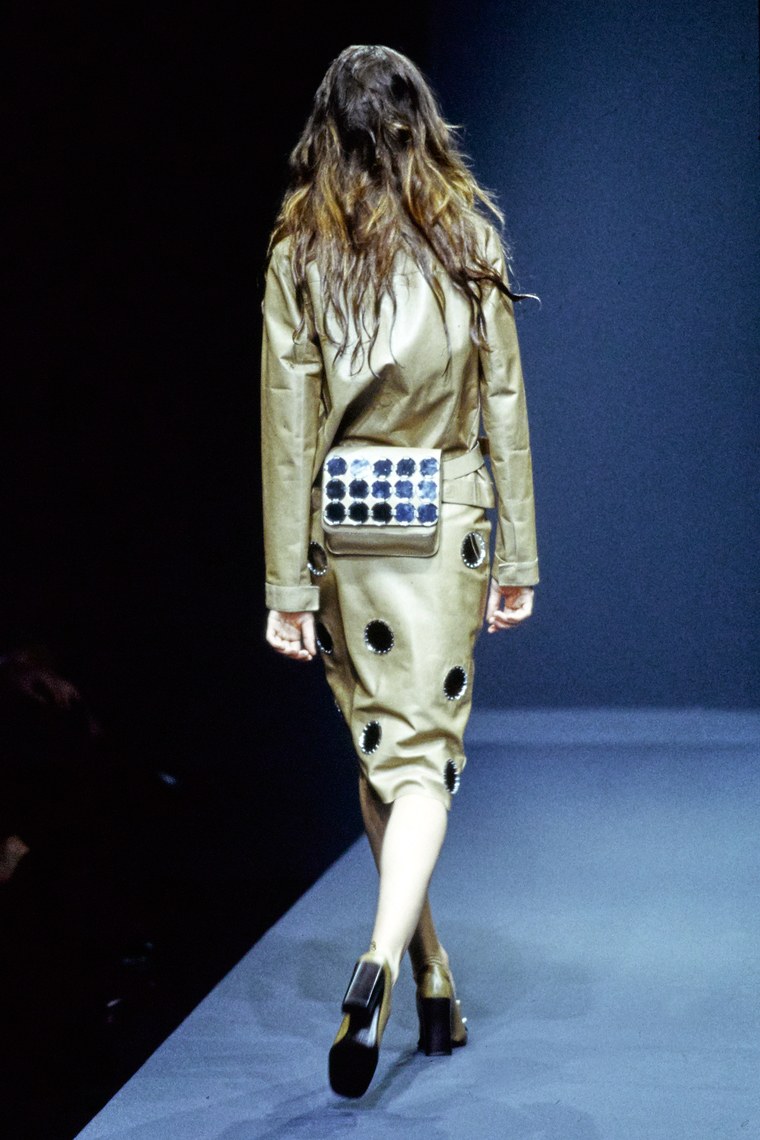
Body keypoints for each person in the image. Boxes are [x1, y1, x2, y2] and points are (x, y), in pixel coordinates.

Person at [260, 44, 538, 1098]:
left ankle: (431, 974)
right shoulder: (468, 237)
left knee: (386, 753)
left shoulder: (300, 250)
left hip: (347, 535)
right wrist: (518, 554)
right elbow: (503, 403)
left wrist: (287, 584)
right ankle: (379, 959)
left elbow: (287, 428)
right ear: (423, 122)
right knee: (420, 761)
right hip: (446, 520)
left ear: (327, 131)